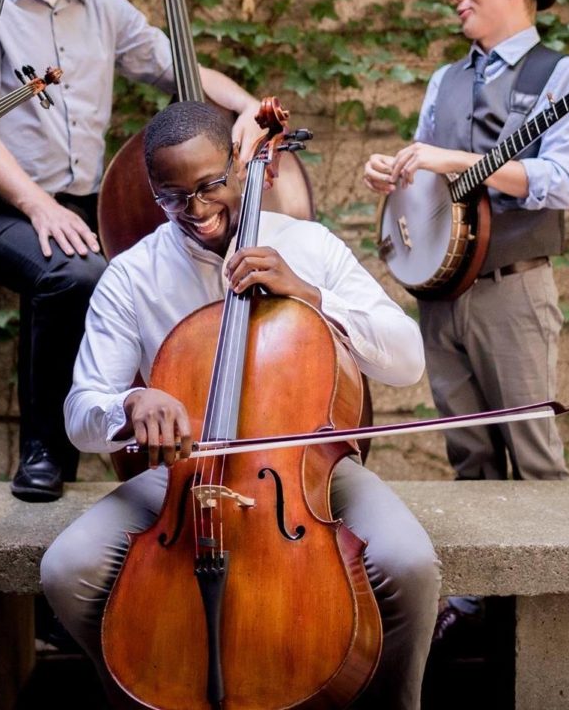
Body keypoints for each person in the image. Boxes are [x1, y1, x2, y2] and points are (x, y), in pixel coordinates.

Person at [41, 100, 440, 710]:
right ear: (153, 193)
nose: (196, 211)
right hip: (183, 475)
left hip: (306, 470)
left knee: (408, 565)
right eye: (174, 197)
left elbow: (406, 358)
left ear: (239, 164)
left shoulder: (308, 246)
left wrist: (310, 296)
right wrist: (130, 402)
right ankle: (155, 693)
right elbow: (80, 413)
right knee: (66, 570)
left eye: (209, 186)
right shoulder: (132, 275)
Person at [0, 0, 266, 501]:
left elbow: (175, 66)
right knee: (70, 273)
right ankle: (42, 454)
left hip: (83, 205)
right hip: (0, 203)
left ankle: (167, 444)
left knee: (134, 270)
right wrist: (37, 206)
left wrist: (248, 106)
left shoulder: (105, 7)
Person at [363, 0, 569, 639]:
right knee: (470, 456)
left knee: (532, 458)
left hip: (514, 293)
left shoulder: (563, 75)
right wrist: (395, 175)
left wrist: (455, 160)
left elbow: (560, 183)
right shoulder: (445, 78)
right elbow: (429, 188)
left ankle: (549, 626)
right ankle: (482, 608)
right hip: (444, 295)